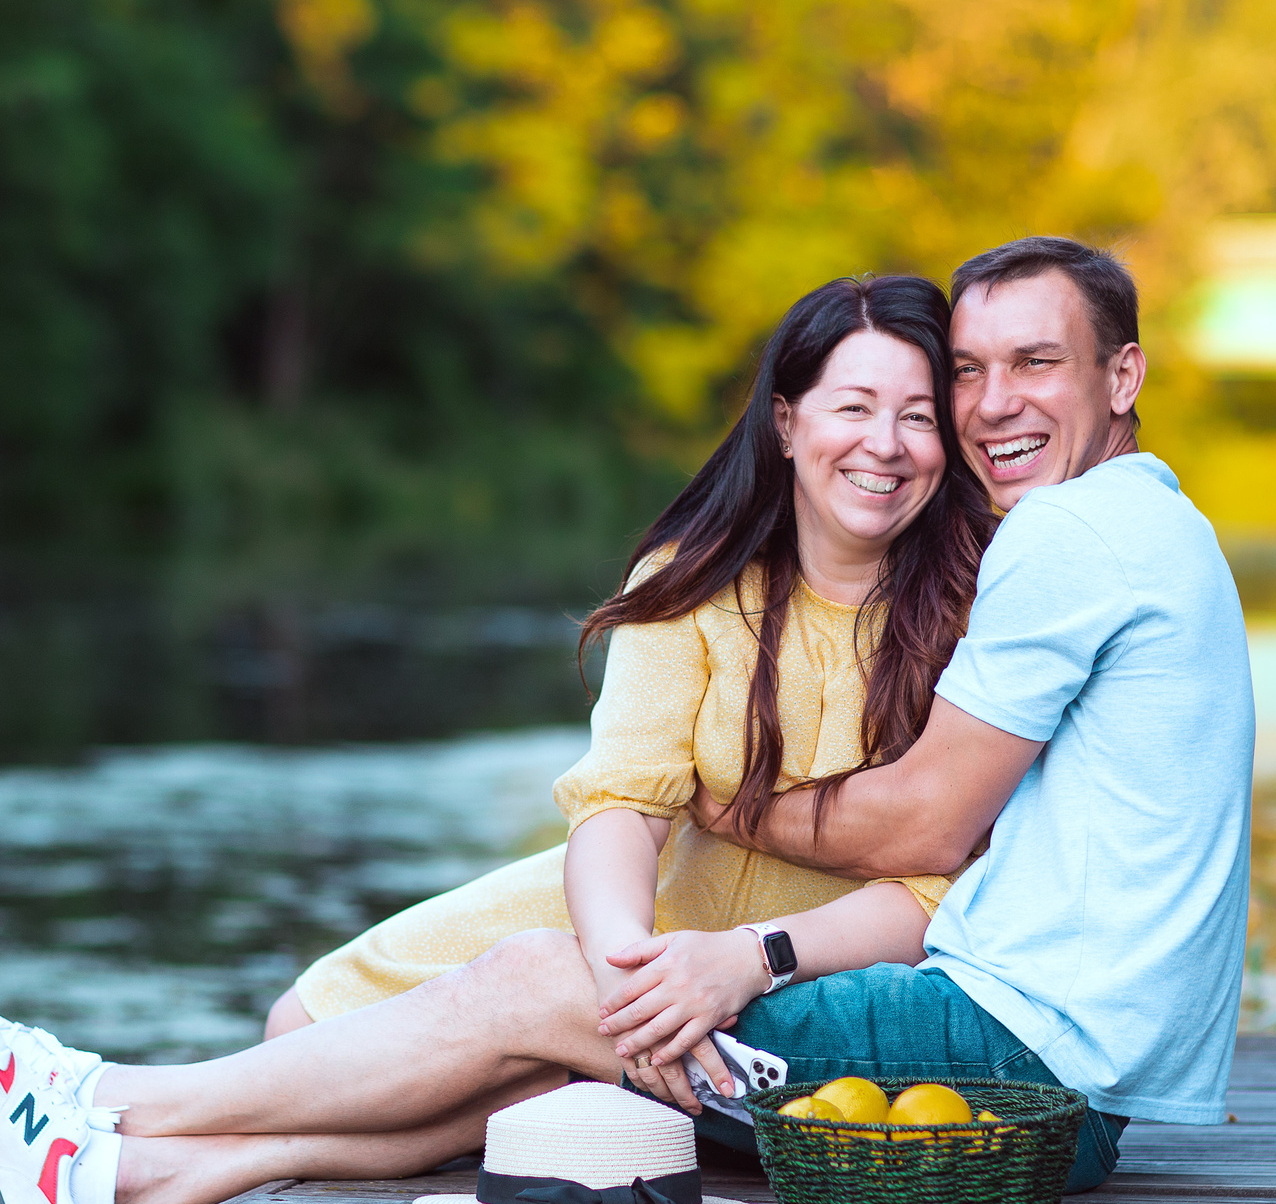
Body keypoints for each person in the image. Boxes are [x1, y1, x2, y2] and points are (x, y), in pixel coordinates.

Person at [0, 236, 1253, 1204]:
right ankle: (119, 1188)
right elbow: (626, 801)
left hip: (992, 1047)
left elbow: (939, 833)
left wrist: (738, 923)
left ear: (1118, 376)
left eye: (1023, 369)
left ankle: (97, 1101)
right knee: (475, 1045)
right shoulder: (1107, 530)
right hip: (957, 1019)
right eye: (968, 372)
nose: (963, 415)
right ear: (785, 420)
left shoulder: (1036, 554)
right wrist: (636, 957)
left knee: (539, 1002)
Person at [263, 272, 991, 1094]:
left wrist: (753, 955)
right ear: (786, 422)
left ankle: (119, 1123)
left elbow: (949, 883)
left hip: (806, 969)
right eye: (853, 407)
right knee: (302, 1022)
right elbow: (620, 807)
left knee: (491, 1078)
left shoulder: (985, 610)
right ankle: (117, 1156)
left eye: (918, 416)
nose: (885, 443)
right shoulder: (693, 582)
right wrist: (621, 975)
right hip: (636, 922)